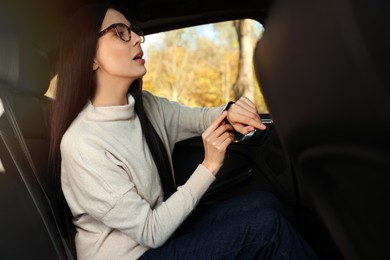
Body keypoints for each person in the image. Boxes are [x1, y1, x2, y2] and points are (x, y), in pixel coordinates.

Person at [49, 3, 319, 260]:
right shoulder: (83, 143)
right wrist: (209, 166)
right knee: (266, 227)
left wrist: (230, 111)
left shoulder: (148, 107)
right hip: (135, 255)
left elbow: (200, 117)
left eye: (133, 31)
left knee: (265, 203)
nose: (136, 39)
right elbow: (150, 231)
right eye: (120, 32)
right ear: (90, 57)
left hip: (162, 239)